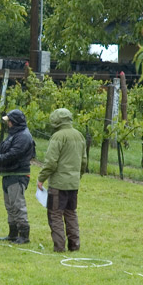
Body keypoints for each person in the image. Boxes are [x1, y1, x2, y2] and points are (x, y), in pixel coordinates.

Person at [37, 108, 88, 252]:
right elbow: (84, 161)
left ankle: (59, 247)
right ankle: (74, 246)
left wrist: (41, 178)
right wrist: (77, 176)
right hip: (73, 183)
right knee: (71, 213)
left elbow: (51, 161)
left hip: (58, 185)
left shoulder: (58, 136)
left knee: (55, 214)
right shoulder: (79, 136)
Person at [0, 109, 36, 245]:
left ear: (15, 122)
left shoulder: (23, 136)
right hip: (9, 174)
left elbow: (14, 154)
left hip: (18, 174)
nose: (8, 123)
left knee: (18, 205)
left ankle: (24, 234)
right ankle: (13, 234)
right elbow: (3, 148)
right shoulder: (15, 134)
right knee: (10, 205)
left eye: (9, 121)